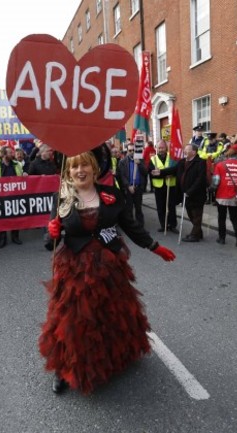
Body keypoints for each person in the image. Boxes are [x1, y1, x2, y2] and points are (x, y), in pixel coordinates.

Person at [40, 151, 176, 394]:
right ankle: (65, 369)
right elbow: (50, 244)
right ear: (68, 172)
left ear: (94, 168)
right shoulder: (61, 198)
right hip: (75, 269)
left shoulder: (111, 195)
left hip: (108, 266)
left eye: (84, 165)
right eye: (74, 167)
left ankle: (115, 356)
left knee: (112, 314)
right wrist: (51, 233)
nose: (80, 170)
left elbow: (130, 226)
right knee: (72, 321)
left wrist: (154, 247)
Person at [0, 146, 27, 248]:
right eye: (10, 153)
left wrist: (24, 174)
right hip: (0, 196)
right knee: (1, 218)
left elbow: (21, 174)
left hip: (14, 195)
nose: (13, 154)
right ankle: (2, 239)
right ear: (4, 154)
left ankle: (15, 237)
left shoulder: (17, 164)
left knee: (15, 216)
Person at [211, 145, 237, 248]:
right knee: (234, 218)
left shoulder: (220, 165)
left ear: (228, 154)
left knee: (221, 218)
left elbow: (216, 181)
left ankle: (222, 238)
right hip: (235, 195)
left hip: (221, 195)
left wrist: (211, 189)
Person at [175, 144, 208, 242]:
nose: (184, 151)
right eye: (184, 150)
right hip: (186, 195)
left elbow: (200, 179)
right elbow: (173, 170)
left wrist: (190, 191)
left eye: (187, 150)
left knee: (197, 216)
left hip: (197, 195)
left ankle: (194, 235)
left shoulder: (200, 162)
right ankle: (199, 232)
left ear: (193, 152)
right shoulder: (182, 162)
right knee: (191, 215)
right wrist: (160, 172)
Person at [149, 140, 179, 233]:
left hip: (171, 185)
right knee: (160, 207)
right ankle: (163, 225)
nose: (161, 150)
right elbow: (151, 173)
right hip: (159, 187)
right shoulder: (153, 159)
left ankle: (173, 225)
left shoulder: (172, 157)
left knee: (171, 206)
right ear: (156, 148)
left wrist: (162, 173)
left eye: (162, 147)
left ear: (166, 148)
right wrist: (165, 174)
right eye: (159, 148)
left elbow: (176, 170)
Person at [117, 142, 148, 225]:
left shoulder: (140, 160)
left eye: (133, 150)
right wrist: (128, 186)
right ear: (127, 151)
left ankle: (140, 226)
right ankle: (131, 227)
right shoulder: (122, 162)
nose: (132, 152)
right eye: (130, 150)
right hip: (128, 189)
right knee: (129, 208)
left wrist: (139, 164)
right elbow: (122, 176)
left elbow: (145, 172)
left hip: (138, 188)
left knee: (138, 208)